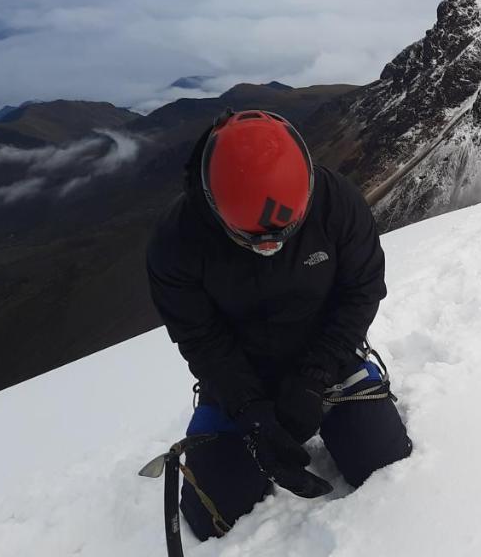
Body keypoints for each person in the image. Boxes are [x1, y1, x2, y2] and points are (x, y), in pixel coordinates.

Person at [146, 109, 412, 540]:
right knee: (215, 514)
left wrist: (315, 376)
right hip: (239, 373)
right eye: (250, 238)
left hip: (328, 355)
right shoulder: (177, 242)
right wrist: (249, 409)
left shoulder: (336, 205)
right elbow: (199, 336)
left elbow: (361, 291)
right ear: (213, 205)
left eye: (285, 233)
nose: (269, 247)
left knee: (383, 462)